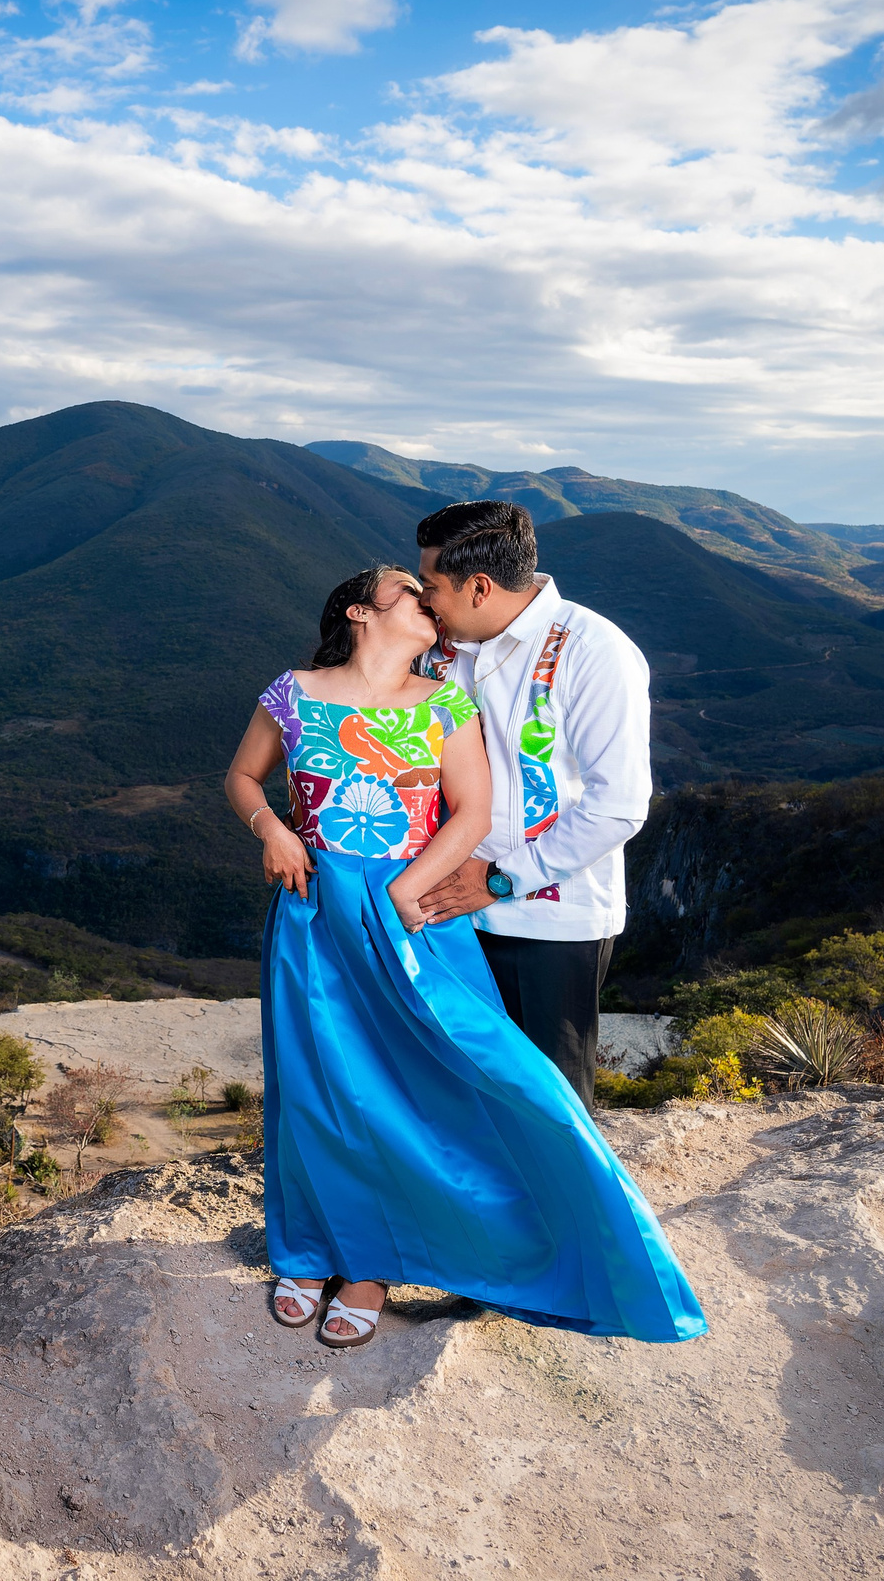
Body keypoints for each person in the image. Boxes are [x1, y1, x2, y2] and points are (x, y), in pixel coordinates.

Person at [227, 565, 705, 1349]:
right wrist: (271, 830)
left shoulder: (447, 699)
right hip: (313, 913)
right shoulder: (292, 692)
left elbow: (474, 812)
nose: (426, 597)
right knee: (315, 1086)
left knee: (423, 1089)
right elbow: (243, 776)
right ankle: (308, 1250)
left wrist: (405, 891)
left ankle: (375, 1267)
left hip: (412, 913)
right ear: (359, 611)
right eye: (406, 587)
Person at [410, 501, 652, 1108]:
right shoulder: (438, 649)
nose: (424, 602)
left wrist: (498, 878)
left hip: (549, 922)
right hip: (446, 914)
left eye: (432, 587)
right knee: (459, 1094)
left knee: (550, 1105)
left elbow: (619, 806)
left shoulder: (593, 650)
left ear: (479, 587)